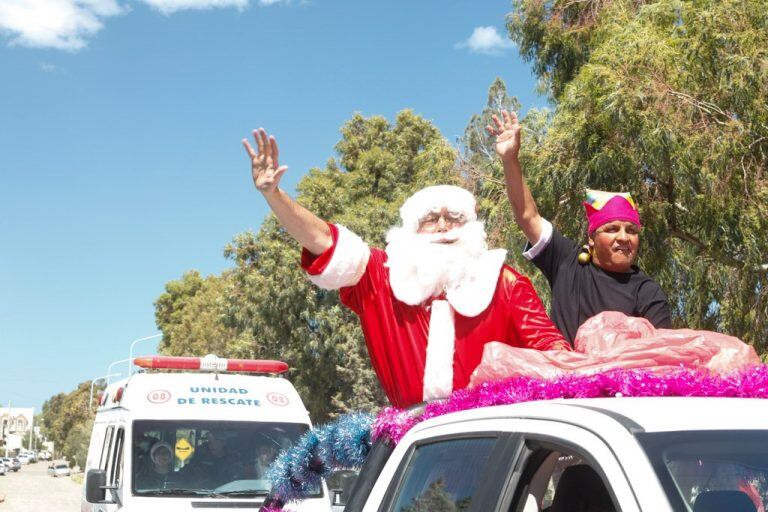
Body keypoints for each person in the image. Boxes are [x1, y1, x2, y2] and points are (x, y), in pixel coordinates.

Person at [242, 128, 571, 409]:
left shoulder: (504, 282)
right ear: (412, 230)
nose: (444, 226)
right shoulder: (381, 277)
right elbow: (322, 240)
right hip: (414, 444)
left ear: (470, 226)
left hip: (493, 442)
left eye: (454, 217)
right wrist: (275, 195)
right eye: (431, 219)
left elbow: (555, 355)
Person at [486, 110, 672, 344]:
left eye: (632, 230)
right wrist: (510, 159)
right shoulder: (568, 263)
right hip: (563, 376)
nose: (624, 237)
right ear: (592, 237)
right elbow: (527, 216)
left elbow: (659, 358)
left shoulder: (648, 292)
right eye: (612, 229)